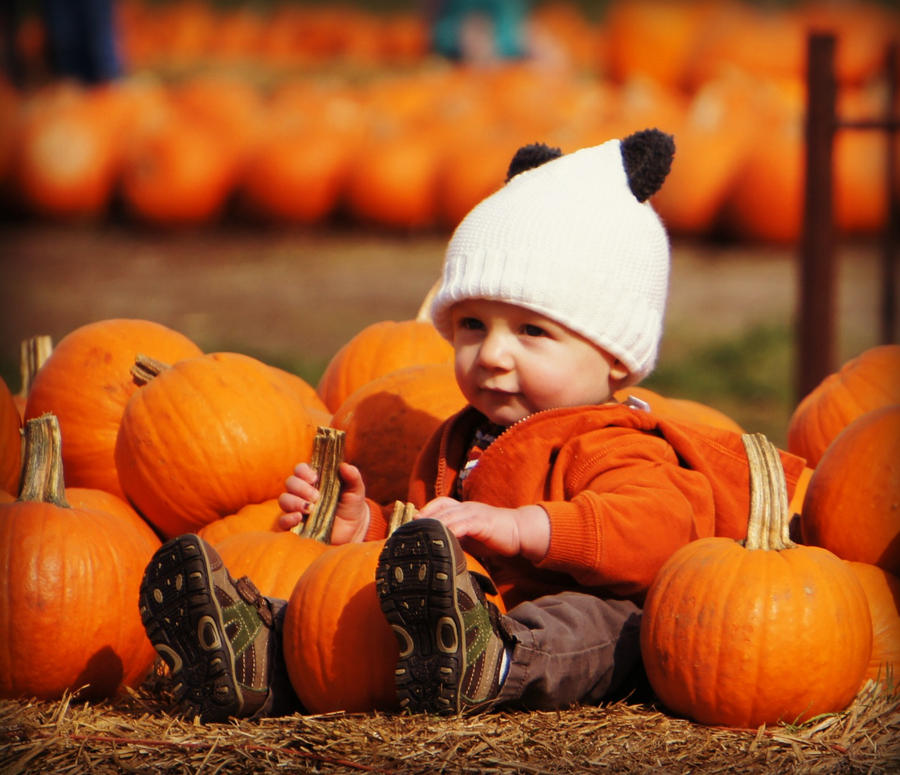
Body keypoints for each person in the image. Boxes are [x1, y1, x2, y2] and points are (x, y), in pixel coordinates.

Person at [139, 129, 808, 721]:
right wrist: (365, 526)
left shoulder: (614, 439)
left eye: (532, 331)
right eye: (472, 325)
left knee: (592, 623)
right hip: (453, 614)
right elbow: (426, 534)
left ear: (613, 359)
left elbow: (653, 527)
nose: (491, 353)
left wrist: (525, 527)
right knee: (348, 609)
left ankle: (494, 665)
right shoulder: (460, 436)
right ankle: (257, 653)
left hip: (572, 614)